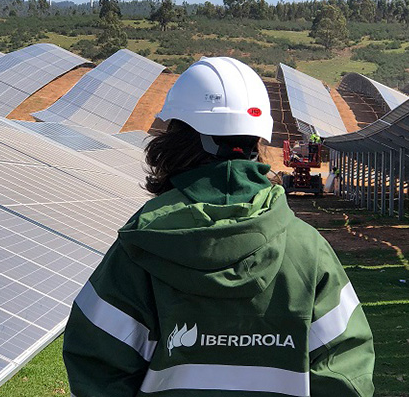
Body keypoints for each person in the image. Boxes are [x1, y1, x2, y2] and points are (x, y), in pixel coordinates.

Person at [63, 57, 375, 396]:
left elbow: (97, 362)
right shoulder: (307, 250)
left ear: (176, 139)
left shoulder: (143, 245)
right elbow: (345, 372)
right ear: (258, 142)